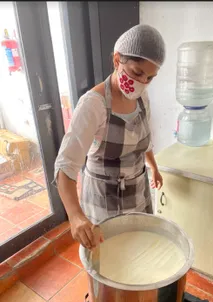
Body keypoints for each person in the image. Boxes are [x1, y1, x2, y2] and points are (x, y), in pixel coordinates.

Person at [54, 24, 166, 252]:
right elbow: (65, 167)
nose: (142, 82)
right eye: (136, 72)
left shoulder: (142, 98)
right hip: (103, 200)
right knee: (110, 257)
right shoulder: (93, 105)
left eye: (150, 77)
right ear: (117, 60)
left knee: (137, 251)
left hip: (138, 192)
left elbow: (145, 137)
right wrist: (75, 217)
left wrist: (152, 166)